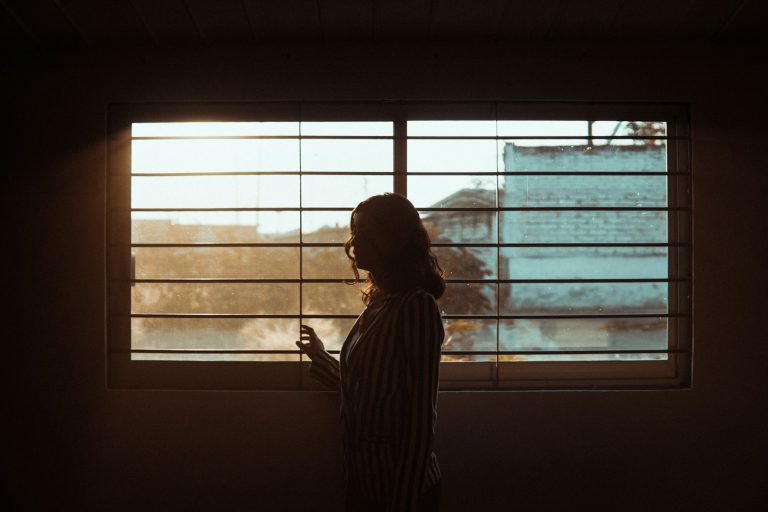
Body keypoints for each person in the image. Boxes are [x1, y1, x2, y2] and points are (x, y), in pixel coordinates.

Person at [296, 193, 445, 512]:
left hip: (400, 491)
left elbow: (419, 416)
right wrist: (321, 356)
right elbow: (368, 392)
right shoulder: (379, 304)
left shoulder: (417, 307)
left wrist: (403, 502)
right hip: (365, 484)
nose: (353, 242)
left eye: (364, 232)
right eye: (354, 231)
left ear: (393, 239)